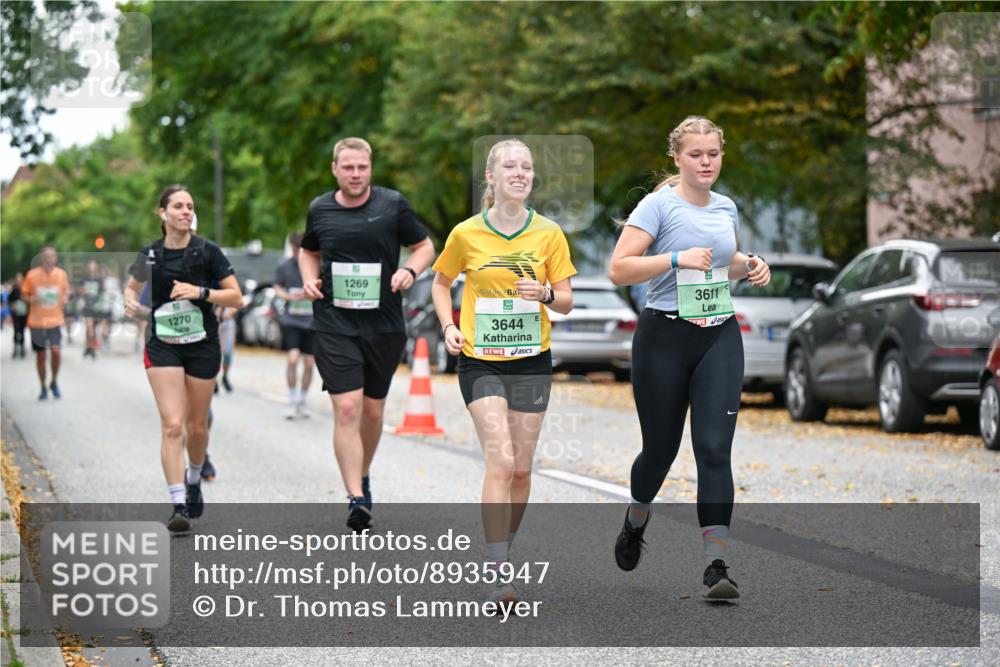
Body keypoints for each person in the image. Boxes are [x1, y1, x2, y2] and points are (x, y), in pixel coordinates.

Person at [607, 116, 771, 600]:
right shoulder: (658, 206)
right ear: (677, 158)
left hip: (718, 333)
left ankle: (716, 564)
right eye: (696, 155)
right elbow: (620, 268)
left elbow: (725, 261)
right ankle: (637, 516)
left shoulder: (726, 207)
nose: (706, 162)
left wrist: (751, 265)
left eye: (713, 154)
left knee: (715, 449)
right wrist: (675, 259)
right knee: (659, 452)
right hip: (662, 337)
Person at [432, 138, 576, 604]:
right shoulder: (465, 233)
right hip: (480, 360)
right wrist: (448, 326)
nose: (520, 173)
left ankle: (503, 551)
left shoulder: (549, 233)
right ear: (490, 178)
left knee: (521, 470)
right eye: (509, 166)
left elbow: (567, 300)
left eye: (527, 167)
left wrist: (546, 296)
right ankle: (498, 570)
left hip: (531, 359)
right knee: (501, 461)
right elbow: (440, 283)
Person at [300, 137, 435, 532]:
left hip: (384, 324)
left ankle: (362, 474)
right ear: (335, 169)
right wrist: (310, 280)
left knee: (373, 412)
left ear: (370, 168)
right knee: (347, 408)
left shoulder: (392, 205)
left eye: (362, 167)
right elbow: (308, 251)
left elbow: (424, 246)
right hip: (334, 323)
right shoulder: (320, 208)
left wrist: (410, 270)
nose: (356, 174)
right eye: (348, 167)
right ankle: (356, 498)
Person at [124, 185, 242, 532]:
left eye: (190, 206)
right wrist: (130, 302)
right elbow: (131, 287)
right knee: (172, 424)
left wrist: (201, 292)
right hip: (163, 343)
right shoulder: (150, 254)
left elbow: (236, 297)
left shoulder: (207, 251)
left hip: (202, 344)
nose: (186, 211)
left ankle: (193, 478)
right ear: (163, 213)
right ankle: (178, 504)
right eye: (178, 206)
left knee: (197, 425)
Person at [273, 232, 316, 419]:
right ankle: (291, 398)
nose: (297, 252)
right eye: (294, 248)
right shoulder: (284, 266)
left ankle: (303, 399)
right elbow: (277, 287)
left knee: (309, 364)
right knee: (292, 359)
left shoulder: (315, 263)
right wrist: (289, 296)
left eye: (300, 249)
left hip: (311, 320)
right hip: (292, 319)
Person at [22, 245, 70, 399]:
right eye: (46, 256)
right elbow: (24, 296)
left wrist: (65, 299)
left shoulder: (62, 275)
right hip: (36, 322)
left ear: (55, 258)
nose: (49, 259)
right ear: (42, 258)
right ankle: (43, 386)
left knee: (56, 352)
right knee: (41, 355)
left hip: (55, 320)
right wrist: (33, 299)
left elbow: (66, 293)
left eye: (52, 256)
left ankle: (54, 381)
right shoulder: (31, 275)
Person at [80, 260, 105, 359]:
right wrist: (84, 292)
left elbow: (102, 292)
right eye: (90, 265)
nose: (92, 267)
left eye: (93, 266)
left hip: (96, 307)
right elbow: (80, 291)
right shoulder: (84, 279)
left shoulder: (99, 280)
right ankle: (88, 347)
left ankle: (91, 348)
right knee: (89, 327)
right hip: (87, 306)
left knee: (92, 329)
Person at [10, 273, 28, 359]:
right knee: (16, 331)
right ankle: (15, 348)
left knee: (22, 331)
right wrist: (12, 306)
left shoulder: (25, 289)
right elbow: (10, 301)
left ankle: (22, 348)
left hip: (23, 314)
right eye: (18, 280)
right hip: (16, 314)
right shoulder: (14, 290)